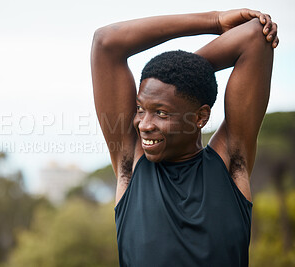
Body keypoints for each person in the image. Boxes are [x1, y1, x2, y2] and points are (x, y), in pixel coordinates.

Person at [90, 9, 278, 266]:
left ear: (200, 117)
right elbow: (106, 42)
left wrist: (187, 77)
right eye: (140, 109)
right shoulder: (131, 165)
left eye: (161, 112)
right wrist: (213, 21)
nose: (143, 125)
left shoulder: (232, 162)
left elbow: (255, 36)